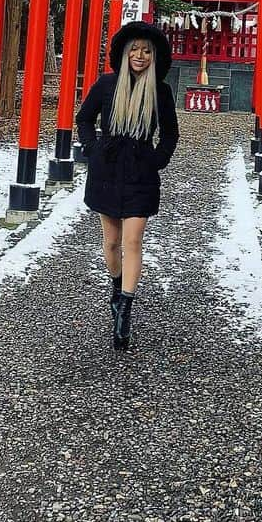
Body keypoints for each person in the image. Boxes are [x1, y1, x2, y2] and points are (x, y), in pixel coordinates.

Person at [75, 20, 180, 350]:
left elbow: (171, 133)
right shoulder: (107, 84)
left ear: (153, 57)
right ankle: (117, 286)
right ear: (124, 53)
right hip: (106, 169)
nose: (140, 55)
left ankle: (124, 311)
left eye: (146, 51)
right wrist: (92, 150)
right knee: (111, 244)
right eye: (134, 49)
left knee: (133, 241)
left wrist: (156, 159)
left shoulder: (160, 91)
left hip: (140, 172)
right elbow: (84, 118)